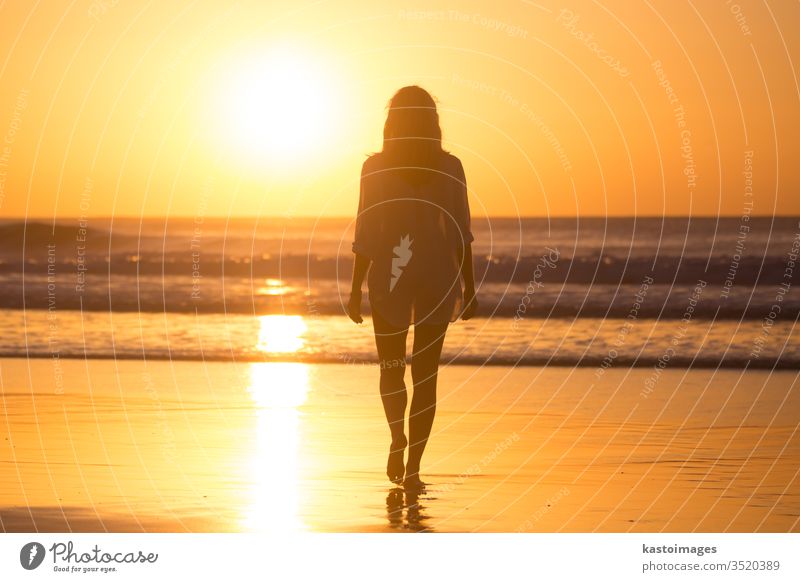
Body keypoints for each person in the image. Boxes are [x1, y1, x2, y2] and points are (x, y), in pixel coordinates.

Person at [347, 85, 478, 491]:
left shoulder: (376, 168)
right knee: (426, 376)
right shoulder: (450, 166)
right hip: (437, 274)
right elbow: (460, 232)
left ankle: (396, 439)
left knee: (391, 370)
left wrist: (354, 290)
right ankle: (414, 468)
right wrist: (469, 286)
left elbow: (366, 232)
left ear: (393, 122)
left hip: (391, 273)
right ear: (431, 122)